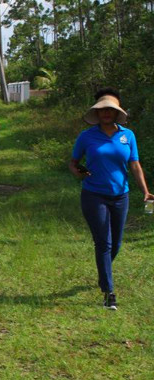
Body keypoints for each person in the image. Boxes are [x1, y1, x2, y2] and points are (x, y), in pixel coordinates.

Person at [69, 88, 153, 310]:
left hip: (120, 197)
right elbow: (73, 161)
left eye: (110, 109)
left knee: (116, 243)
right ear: (97, 113)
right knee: (103, 243)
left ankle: (102, 271)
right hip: (93, 195)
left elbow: (134, 165)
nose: (106, 113)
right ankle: (109, 292)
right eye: (102, 109)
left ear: (117, 113)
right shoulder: (86, 136)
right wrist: (77, 171)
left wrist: (145, 190)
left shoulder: (128, 135)